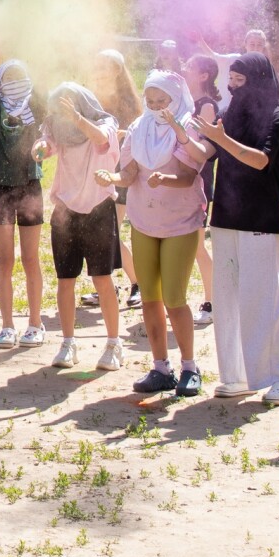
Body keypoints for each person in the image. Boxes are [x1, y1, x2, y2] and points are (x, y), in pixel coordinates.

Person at [100, 71, 211, 398]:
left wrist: (165, 179)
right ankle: (161, 368)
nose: (156, 107)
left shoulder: (187, 127)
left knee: (174, 298)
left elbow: (190, 176)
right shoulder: (139, 127)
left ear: (176, 98)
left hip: (180, 223)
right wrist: (112, 178)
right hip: (143, 221)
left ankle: (190, 367)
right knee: (150, 298)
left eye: (162, 101)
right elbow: (130, 173)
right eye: (150, 101)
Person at [200, 52, 279, 406]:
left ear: (258, 80)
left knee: (264, 301)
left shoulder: (275, 116)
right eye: (231, 80)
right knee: (227, 300)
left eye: (241, 81)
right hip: (226, 217)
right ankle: (237, 376)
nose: (234, 87)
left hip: (261, 220)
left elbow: (259, 160)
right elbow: (207, 152)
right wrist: (181, 132)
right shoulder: (230, 112)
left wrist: (221, 138)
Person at [34, 82, 124, 372]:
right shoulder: (55, 126)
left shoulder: (106, 122)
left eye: (68, 107)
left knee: (102, 278)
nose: (62, 116)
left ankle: (113, 344)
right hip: (65, 211)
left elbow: (101, 139)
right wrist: (40, 148)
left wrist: (76, 117)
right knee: (65, 280)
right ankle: (68, 342)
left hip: (99, 208)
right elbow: (46, 145)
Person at [0, 57, 47, 348]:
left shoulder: (36, 102)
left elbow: (45, 66)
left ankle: (36, 323)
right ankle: (7, 326)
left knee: (31, 258)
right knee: (5, 259)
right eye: (9, 78)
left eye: (20, 76)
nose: (15, 83)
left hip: (30, 185)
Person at [91, 47, 144, 301]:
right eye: (97, 66)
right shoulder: (93, 97)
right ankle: (106, 286)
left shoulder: (128, 102)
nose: (98, 71)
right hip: (96, 172)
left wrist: (120, 136)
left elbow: (134, 136)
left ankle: (138, 284)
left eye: (103, 66)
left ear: (116, 71)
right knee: (101, 233)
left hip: (119, 173)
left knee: (111, 232)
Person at [184, 54, 222, 325]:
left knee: (197, 246)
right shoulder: (183, 102)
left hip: (198, 181)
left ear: (204, 75)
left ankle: (212, 302)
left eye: (189, 67)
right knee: (183, 245)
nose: (183, 69)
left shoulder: (206, 106)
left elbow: (203, 149)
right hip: (179, 180)